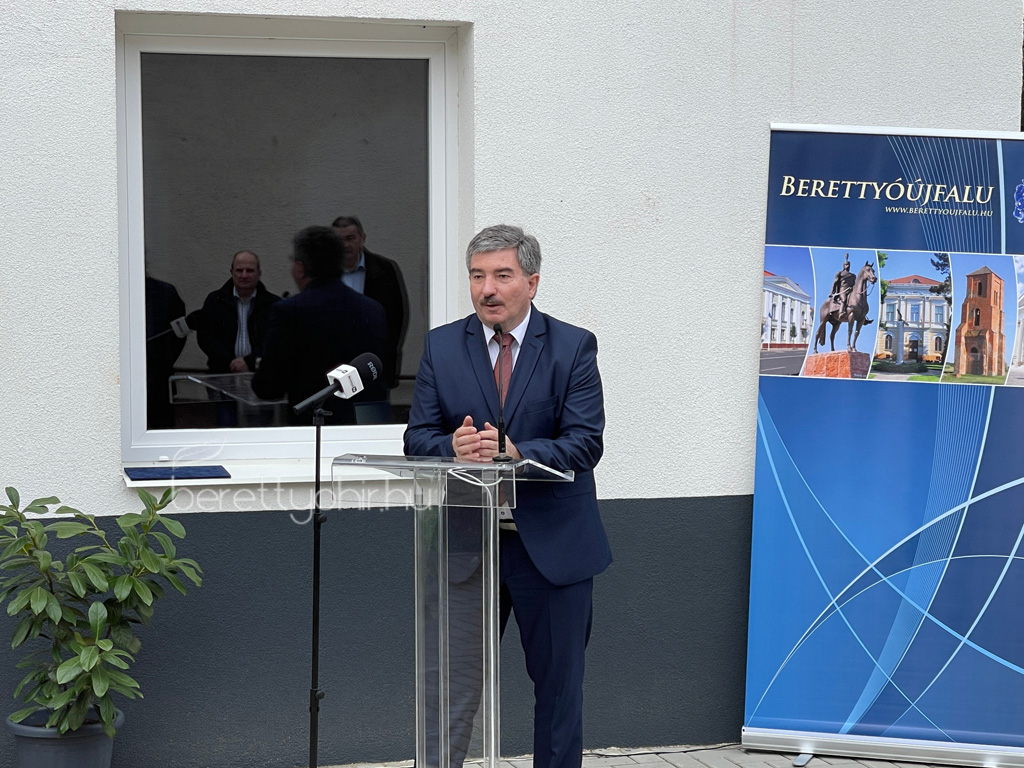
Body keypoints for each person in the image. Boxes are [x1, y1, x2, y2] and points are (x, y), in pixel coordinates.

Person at [404, 224, 611, 768]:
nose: (487, 289)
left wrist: (519, 451)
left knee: (558, 694)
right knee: (452, 691)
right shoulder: (442, 346)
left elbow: (586, 443)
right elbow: (416, 438)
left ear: (532, 282)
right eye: (477, 276)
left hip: (552, 550)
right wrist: (451, 447)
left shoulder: (572, 347)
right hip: (468, 548)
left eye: (502, 275)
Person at [252, 226, 388, 425]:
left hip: (312, 428)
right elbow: (379, 373)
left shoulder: (288, 312)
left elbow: (268, 387)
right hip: (364, 425)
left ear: (300, 268)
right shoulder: (372, 309)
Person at [332, 216, 409, 388]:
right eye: (339, 240)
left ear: (362, 238)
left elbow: (396, 319)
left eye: (350, 238)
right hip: (334, 366)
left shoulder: (384, 269)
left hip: (373, 365)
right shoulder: (323, 272)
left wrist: (387, 360)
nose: (345, 245)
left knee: (372, 406)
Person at [197, 250, 281, 373]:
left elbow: (274, 340)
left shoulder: (273, 304)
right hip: (221, 373)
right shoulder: (215, 301)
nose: (244, 275)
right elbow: (205, 337)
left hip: (260, 373)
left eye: (250, 271)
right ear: (232, 272)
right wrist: (232, 362)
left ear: (259, 273)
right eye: (239, 270)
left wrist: (248, 362)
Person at [145, 275, 187, 429]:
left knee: (160, 430)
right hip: (121, 384)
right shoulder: (114, 292)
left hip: (159, 381)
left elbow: (179, 334)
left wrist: (161, 363)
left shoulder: (165, 292)